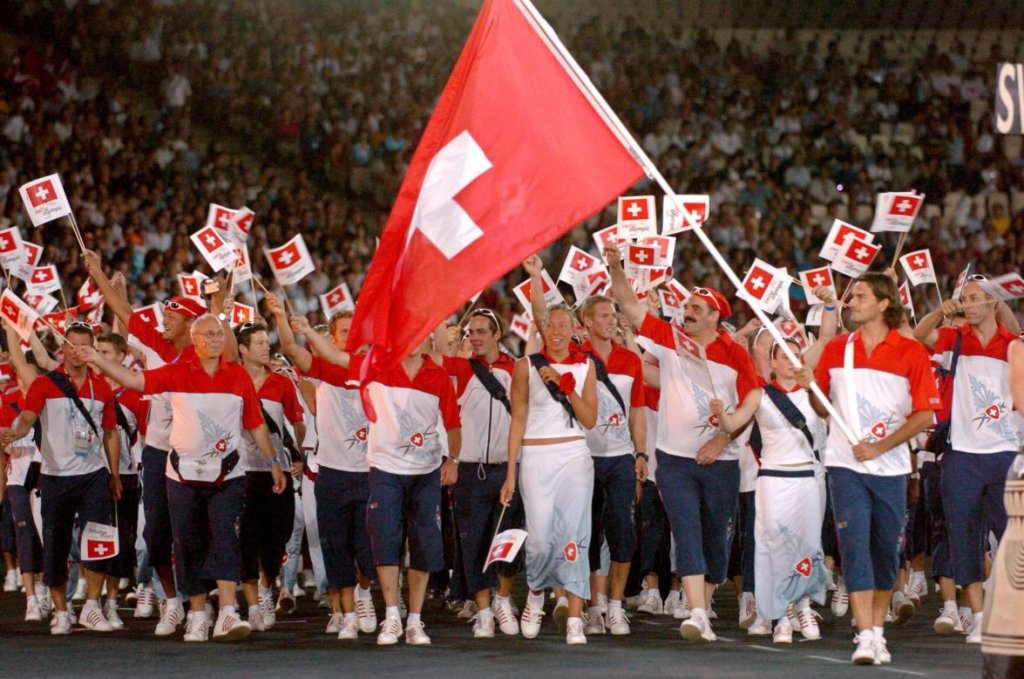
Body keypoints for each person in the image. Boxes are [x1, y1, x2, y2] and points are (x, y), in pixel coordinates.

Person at [78, 314, 286, 642]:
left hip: (229, 474)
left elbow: (256, 423)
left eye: (220, 334)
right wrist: (97, 361)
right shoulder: (175, 372)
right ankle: (198, 615)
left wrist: (274, 462)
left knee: (225, 539)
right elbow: (136, 381)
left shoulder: (239, 377)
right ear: (195, 339)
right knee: (188, 544)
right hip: (181, 474)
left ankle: (228, 614)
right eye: (209, 334)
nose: (217, 339)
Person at [606, 247, 758, 644]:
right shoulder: (669, 338)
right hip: (673, 460)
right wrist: (615, 267)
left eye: (695, 308)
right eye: (686, 306)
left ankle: (703, 605)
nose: (687, 312)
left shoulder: (736, 354)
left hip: (722, 461)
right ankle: (694, 611)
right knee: (686, 530)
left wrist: (723, 437)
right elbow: (628, 304)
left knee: (718, 538)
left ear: (715, 317)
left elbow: (750, 405)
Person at [810, 272, 941, 665]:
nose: (852, 302)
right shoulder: (836, 348)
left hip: (891, 467)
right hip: (843, 464)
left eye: (861, 296)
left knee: (886, 551)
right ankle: (865, 634)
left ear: (885, 303)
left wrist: (880, 446)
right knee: (854, 549)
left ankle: (877, 631)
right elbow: (821, 408)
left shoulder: (911, 351)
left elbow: (925, 414)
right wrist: (809, 388)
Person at [913, 276, 1023, 643]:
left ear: (994, 303)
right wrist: (938, 311)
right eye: (965, 299)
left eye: (976, 298)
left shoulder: (1014, 345)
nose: (969, 304)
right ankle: (977, 617)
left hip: (1004, 453)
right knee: (963, 537)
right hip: (961, 456)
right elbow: (919, 334)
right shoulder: (953, 339)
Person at [0, 322, 121, 635]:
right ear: (62, 349)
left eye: (84, 345)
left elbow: (110, 433)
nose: (77, 351)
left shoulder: (102, 387)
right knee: (55, 546)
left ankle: (92, 607)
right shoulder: (44, 384)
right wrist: (16, 432)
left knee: (99, 542)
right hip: (54, 477)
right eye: (72, 344)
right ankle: (62, 611)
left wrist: (115, 474)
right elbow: (28, 418)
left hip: (94, 475)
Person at [269, 296, 378, 640]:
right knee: (336, 547)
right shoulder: (322, 369)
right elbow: (287, 346)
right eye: (344, 332)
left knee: (369, 550)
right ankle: (346, 614)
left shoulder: (374, 369)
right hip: (332, 473)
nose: (350, 337)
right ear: (331, 339)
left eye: (355, 332)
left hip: (372, 472)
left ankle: (363, 594)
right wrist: (280, 317)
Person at [712, 338, 827, 644]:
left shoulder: (813, 394)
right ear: (772, 362)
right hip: (773, 479)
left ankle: (802, 605)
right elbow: (733, 422)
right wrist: (722, 415)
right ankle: (782, 615)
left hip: (807, 478)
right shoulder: (760, 395)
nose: (791, 361)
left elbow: (832, 418)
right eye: (784, 356)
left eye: (796, 356)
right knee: (776, 545)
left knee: (807, 544)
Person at [501, 301, 598, 645]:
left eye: (563, 326)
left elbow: (589, 420)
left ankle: (574, 616)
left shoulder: (587, 366)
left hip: (573, 454)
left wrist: (565, 385)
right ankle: (536, 592)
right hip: (536, 456)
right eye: (551, 325)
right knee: (540, 539)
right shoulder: (525, 366)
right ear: (543, 330)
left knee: (574, 536)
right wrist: (511, 473)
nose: (557, 332)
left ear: (574, 330)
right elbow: (518, 420)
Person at [360, 337, 461, 646]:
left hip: (426, 472)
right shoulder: (378, 367)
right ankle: (391, 617)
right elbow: (336, 356)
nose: (412, 340)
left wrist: (453, 459)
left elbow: (453, 425)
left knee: (425, 544)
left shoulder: (439, 376)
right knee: (386, 539)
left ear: (429, 340)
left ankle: (414, 621)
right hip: (385, 468)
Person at [433, 308, 522, 638]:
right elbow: (437, 353)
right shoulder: (461, 367)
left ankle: (503, 599)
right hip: (470, 471)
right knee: (472, 545)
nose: (475, 337)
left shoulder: (515, 369)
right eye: (471, 332)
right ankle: (484, 611)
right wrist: (439, 312)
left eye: (482, 331)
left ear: (497, 335)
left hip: (506, 468)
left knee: (508, 539)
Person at [571, 293, 647, 637]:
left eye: (613, 314)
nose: (612, 319)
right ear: (587, 322)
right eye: (603, 315)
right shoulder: (575, 360)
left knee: (622, 532)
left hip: (620, 458)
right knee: (587, 533)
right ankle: (595, 606)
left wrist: (641, 454)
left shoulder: (631, 359)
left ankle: (615, 607)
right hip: (583, 458)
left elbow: (638, 411)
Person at [235, 322, 305, 632]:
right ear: (243, 349)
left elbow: (297, 421)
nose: (267, 348)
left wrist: (300, 453)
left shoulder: (282, 383)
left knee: (277, 540)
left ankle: (267, 585)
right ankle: (254, 603)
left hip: (277, 474)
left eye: (267, 342)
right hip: (241, 472)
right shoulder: (231, 381)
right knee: (246, 541)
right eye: (260, 343)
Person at [95, 332, 149, 631]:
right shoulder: (89, 388)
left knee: (130, 540)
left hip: (128, 476)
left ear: (120, 356)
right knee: (101, 540)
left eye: (105, 351)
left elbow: (145, 436)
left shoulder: (134, 394)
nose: (99, 355)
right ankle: (99, 602)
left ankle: (127, 596)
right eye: (97, 350)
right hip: (92, 475)